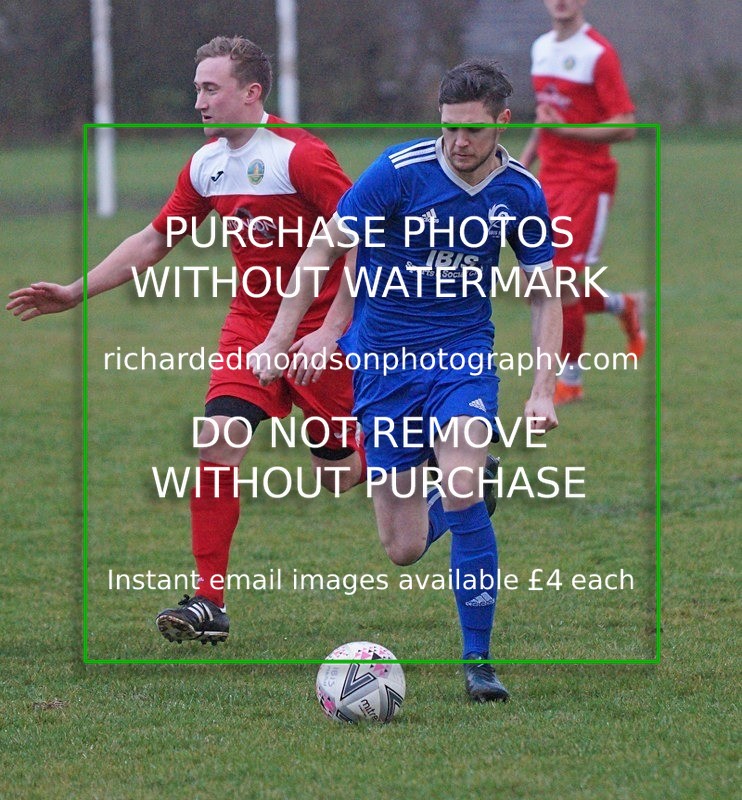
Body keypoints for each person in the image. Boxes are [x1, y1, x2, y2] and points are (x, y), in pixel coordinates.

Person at [6, 36, 366, 645]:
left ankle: (432, 460)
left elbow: (362, 235)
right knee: (217, 441)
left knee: (337, 474)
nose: (198, 100)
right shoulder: (207, 163)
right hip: (250, 327)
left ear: (251, 92)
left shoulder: (301, 156)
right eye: (197, 88)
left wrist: (332, 331)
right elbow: (154, 240)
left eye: (210, 88)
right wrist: (74, 291)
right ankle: (208, 602)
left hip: (321, 331)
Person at [250, 60, 562, 701]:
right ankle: (469, 493)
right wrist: (289, 337)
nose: (459, 142)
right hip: (383, 366)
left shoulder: (521, 194)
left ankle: (479, 664)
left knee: (461, 483)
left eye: (473, 130)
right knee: (403, 547)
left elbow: (543, 295)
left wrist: (542, 388)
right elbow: (328, 249)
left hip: (461, 356)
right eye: (449, 127)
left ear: (504, 122)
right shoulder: (398, 171)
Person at [520, 0, 645, 405]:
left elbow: (625, 124)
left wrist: (568, 130)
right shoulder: (541, 47)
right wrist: (522, 165)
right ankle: (622, 304)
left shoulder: (598, 53)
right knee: (536, 286)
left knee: (559, 283)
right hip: (548, 180)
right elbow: (545, 120)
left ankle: (569, 381)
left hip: (588, 181)